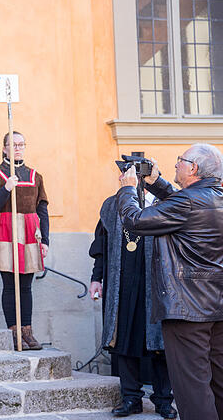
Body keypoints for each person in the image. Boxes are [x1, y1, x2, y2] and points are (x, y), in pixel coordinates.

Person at [117, 143, 223, 420]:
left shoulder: (187, 202)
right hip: (217, 306)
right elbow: (184, 203)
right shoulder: (214, 197)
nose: (176, 163)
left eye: (180, 160)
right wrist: (156, 182)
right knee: (218, 382)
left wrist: (128, 188)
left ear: (193, 168)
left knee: (193, 387)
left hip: (187, 307)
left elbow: (135, 220)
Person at [89, 191, 176, 418]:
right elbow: (102, 244)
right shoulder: (111, 205)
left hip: (158, 285)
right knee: (124, 340)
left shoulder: (164, 203)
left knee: (160, 344)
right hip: (122, 285)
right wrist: (96, 278)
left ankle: (163, 400)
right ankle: (131, 398)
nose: (124, 179)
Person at [0, 131, 49, 350]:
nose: (18, 148)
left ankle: (27, 332)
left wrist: (45, 240)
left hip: (30, 232)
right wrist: (6, 189)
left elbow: (42, 210)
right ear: (4, 148)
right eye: (13, 144)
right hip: (5, 230)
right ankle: (14, 331)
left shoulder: (34, 175)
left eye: (21, 144)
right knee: (10, 285)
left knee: (26, 286)